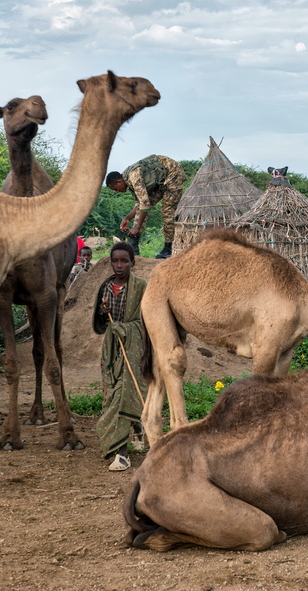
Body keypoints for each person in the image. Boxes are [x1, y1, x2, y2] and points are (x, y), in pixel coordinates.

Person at [93, 242, 148, 471]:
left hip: (133, 349)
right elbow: (99, 322)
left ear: (132, 263)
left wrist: (126, 329)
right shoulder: (105, 287)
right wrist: (103, 314)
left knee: (125, 393)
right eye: (115, 260)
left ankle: (122, 452)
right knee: (111, 393)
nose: (119, 265)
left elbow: (146, 322)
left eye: (124, 261)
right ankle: (136, 432)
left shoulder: (141, 288)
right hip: (112, 349)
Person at [104, 154, 184, 259]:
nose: (118, 191)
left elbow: (145, 204)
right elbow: (140, 204)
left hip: (173, 173)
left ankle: (168, 248)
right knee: (142, 209)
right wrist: (127, 218)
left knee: (167, 211)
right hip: (161, 180)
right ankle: (134, 247)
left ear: (119, 181)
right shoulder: (127, 180)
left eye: (116, 189)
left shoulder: (133, 177)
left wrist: (137, 227)